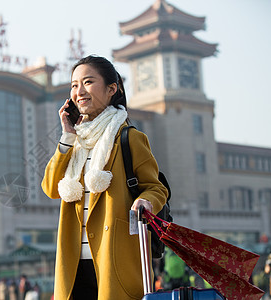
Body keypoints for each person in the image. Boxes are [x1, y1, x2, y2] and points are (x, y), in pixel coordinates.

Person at [41, 55, 168, 299]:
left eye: (88, 82)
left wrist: (146, 200)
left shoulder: (129, 138)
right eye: (74, 85)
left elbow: (156, 187)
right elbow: (50, 187)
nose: (79, 91)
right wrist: (66, 136)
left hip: (115, 258)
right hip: (73, 264)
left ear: (112, 89)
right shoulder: (74, 142)